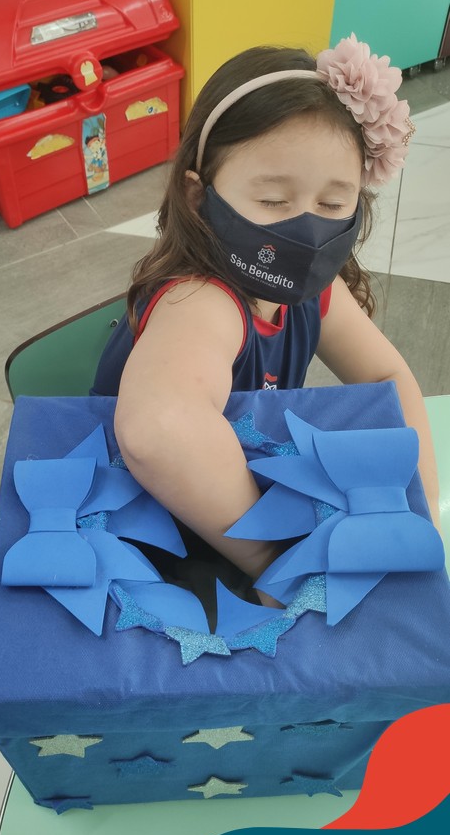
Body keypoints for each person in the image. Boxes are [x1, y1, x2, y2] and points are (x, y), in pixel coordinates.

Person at [93, 33, 440, 603]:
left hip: (234, 493)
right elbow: (157, 431)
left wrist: (421, 509)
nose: (306, 229)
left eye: (333, 204)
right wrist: (277, 561)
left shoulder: (312, 290)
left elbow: (387, 378)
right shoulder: (202, 302)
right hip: (157, 531)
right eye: (274, 201)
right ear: (199, 197)